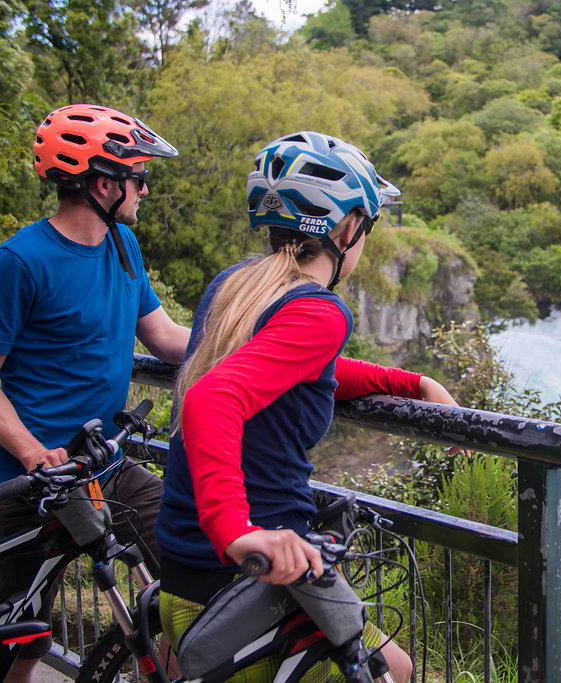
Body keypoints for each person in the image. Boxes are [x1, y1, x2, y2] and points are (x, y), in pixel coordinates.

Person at [155, 131, 459, 682]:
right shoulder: (320, 311)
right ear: (348, 231)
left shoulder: (235, 286)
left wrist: (408, 382)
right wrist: (237, 531)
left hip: (185, 572)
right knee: (401, 671)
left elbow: (292, 369)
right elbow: (212, 395)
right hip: (256, 580)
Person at [0, 103, 190, 683]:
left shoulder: (121, 246)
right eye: (140, 177)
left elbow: (163, 338)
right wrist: (32, 450)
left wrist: (254, 344)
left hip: (102, 466)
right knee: (25, 639)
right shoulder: (15, 264)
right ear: (104, 184)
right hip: (24, 481)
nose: (145, 189)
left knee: (183, 578)